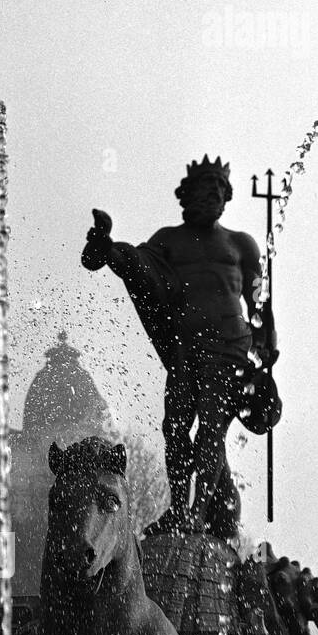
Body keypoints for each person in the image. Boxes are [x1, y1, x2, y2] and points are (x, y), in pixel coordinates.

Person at [82, 155, 279, 536]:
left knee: (210, 429)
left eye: (218, 191)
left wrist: (266, 341)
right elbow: (139, 263)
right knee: (174, 427)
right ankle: (184, 508)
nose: (211, 197)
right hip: (185, 350)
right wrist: (108, 248)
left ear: (227, 198)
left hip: (229, 350)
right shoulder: (169, 241)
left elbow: (260, 300)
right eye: (204, 190)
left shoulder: (242, 245)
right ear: (185, 197)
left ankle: (197, 511)